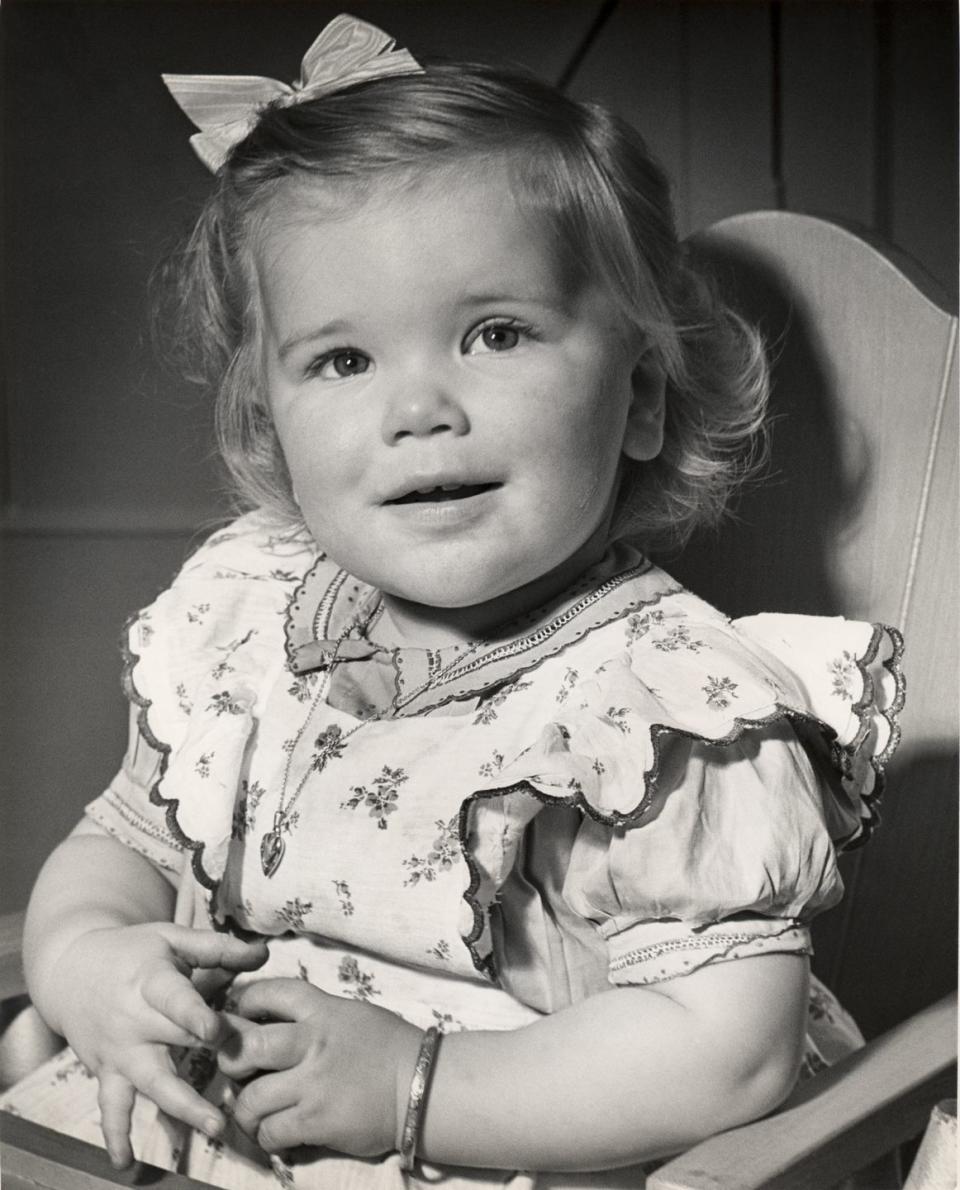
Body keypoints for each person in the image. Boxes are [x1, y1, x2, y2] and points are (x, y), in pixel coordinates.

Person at [1, 14, 904, 1189]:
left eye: (495, 333)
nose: (418, 408)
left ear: (637, 396)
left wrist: (412, 1085)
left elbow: (727, 1052)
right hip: (227, 1117)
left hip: (527, 1135)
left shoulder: (663, 710)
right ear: (268, 415)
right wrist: (90, 958)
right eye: (343, 360)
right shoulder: (247, 617)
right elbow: (120, 840)